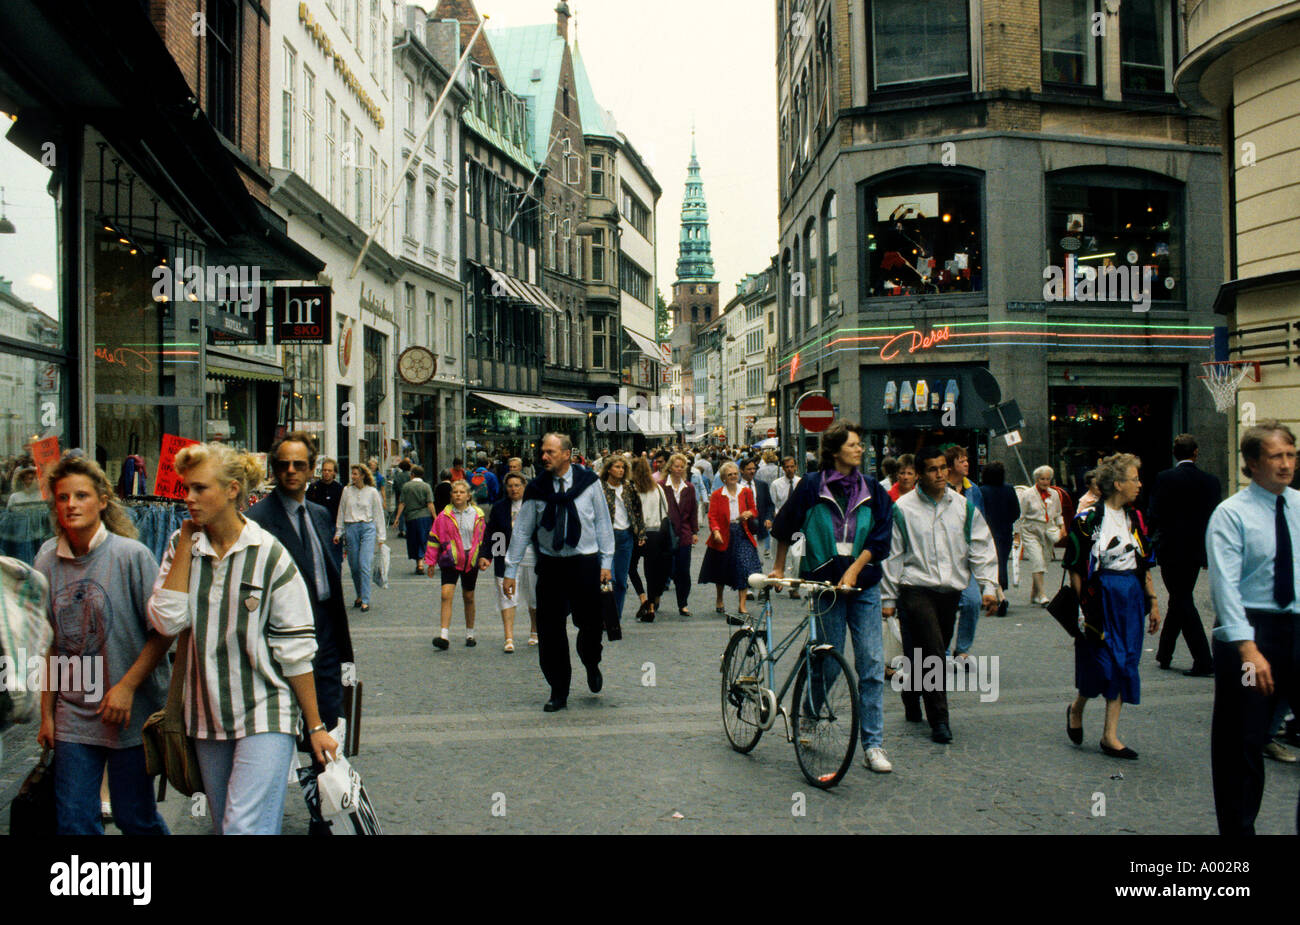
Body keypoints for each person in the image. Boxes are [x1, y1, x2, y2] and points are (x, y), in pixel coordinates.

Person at [147, 442, 337, 835]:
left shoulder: (269, 554)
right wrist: (184, 542)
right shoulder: (181, 547)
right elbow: (167, 622)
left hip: (267, 710)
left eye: (200, 488)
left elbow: (297, 650)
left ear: (233, 490)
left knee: (241, 827)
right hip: (205, 715)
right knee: (228, 826)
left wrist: (316, 726)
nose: (189, 498)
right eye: (187, 489)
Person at [35, 455, 170, 835]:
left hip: (130, 712)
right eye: (63, 498)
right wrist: (47, 713)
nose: (71, 505)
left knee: (135, 818)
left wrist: (126, 688)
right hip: (74, 713)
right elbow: (50, 644)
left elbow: (164, 632)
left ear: (103, 500)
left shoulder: (131, 556)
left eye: (81, 495)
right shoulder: (47, 559)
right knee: (75, 822)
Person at [770, 421, 895, 774]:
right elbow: (784, 525)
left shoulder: (871, 488)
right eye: (853, 444)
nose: (860, 449)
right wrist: (779, 567)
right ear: (836, 450)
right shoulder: (812, 486)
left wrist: (855, 569)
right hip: (826, 586)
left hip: (863, 584)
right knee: (828, 658)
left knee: (871, 661)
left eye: (860, 444)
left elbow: (881, 538)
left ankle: (873, 744)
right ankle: (810, 712)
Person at [1207, 421, 1300, 834]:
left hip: (1297, 629)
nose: (1286, 464)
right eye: (1276, 456)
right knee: (1241, 742)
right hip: (1251, 633)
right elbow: (1225, 586)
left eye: (1291, 455)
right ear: (1251, 463)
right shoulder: (1231, 514)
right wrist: (1247, 649)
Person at [247, 432, 354, 762]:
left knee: (329, 722)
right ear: (274, 470)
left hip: (325, 632)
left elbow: (329, 580)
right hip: (284, 636)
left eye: (299, 464)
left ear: (311, 469)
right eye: (283, 465)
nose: (290, 471)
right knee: (288, 729)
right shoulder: (257, 522)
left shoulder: (319, 515)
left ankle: (325, 801)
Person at [880, 446, 999, 744]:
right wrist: (888, 599)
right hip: (915, 588)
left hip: (949, 592)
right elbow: (893, 555)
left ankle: (911, 693)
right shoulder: (903, 509)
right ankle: (940, 720)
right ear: (919, 475)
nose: (941, 474)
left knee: (924, 650)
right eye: (933, 469)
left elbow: (981, 546)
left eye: (943, 467)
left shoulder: (962, 507)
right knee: (934, 653)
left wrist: (989, 586)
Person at [502, 433, 614, 712]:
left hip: (585, 563)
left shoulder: (589, 483)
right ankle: (558, 689)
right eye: (543, 451)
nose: (544, 456)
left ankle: (591, 661)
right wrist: (510, 570)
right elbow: (523, 530)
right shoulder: (537, 488)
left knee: (589, 627)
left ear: (566, 454)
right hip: (551, 565)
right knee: (550, 631)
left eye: (550, 452)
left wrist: (606, 563)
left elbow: (602, 522)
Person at [1063, 452, 1159, 760]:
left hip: (1129, 597)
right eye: (1135, 479)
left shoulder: (1136, 517)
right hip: (1100, 598)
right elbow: (1077, 568)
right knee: (1100, 665)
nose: (1140, 485)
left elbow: (1142, 564)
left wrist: (1153, 601)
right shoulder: (1087, 520)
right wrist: (1085, 610)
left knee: (1123, 662)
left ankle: (1109, 735)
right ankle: (1077, 707)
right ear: (1118, 484)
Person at [1147, 433, 1221, 676]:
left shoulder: (1165, 478)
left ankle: (1203, 659)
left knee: (1181, 598)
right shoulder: (1211, 481)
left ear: (1174, 453)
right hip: (1196, 549)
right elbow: (1214, 518)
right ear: (1196, 452)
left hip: (1171, 548)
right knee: (1180, 597)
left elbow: (1154, 513)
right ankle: (1165, 652)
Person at [426, 480, 488, 650]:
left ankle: (470, 633)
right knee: (446, 594)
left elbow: (483, 539)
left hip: (470, 560)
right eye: (455, 492)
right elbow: (434, 539)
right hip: (450, 560)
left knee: (468, 597)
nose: (458, 495)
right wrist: (431, 561)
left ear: (468, 496)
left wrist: (485, 557)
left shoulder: (478, 514)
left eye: (462, 492)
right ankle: (444, 635)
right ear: (451, 496)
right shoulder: (443, 516)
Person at [699, 461, 761, 623]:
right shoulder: (718, 494)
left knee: (744, 566)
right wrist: (716, 531)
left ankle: (742, 604)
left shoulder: (746, 492)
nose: (733, 476)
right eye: (730, 475)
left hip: (742, 532)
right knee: (722, 569)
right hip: (724, 534)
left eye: (735, 474)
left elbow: (754, 510)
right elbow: (712, 516)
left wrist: (748, 513)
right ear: (724, 478)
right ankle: (720, 598)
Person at [483, 472, 538, 651]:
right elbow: (493, 534)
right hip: (506, 557)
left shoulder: (534, 506)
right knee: (507, 597)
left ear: (524, 486)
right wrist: (489, 556)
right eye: (510, 486)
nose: (513, 489)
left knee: (534, 596)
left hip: (531, 556)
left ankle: (534, 631)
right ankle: (509, 638)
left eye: (517, 485)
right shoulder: (499, 508)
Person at [946, 446, 987, 663]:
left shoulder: (973, 490)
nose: (966, 464)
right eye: (961, 460)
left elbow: (980, 521)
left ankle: (962, 649)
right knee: (946, 605)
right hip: (944, 555)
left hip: (967, 556)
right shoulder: (941, 488)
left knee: (972, 601)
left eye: (966, 460)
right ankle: (942, 649)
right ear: (951, 465)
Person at [600, 455, 644, 636]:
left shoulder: (628, 487)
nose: (620, 470)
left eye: (622, 468)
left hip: (625, 535)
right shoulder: (600, 488)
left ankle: (615, 618)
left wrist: (640, 532)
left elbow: (637, 509)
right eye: (617, 467)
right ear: (609, 469)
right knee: (607, 579)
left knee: (621, 581)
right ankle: (605, 616)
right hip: (606, 536)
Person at [335, 463, 386, 612]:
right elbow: (341, 511)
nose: (353, 476)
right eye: (352, 474)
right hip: (351, 528)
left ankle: (365, 599)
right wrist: (339, 532)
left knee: (364, 564)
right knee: (354, 566)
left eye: (356, 474)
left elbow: (378, 514)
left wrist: (381, 537)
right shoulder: (346, 491)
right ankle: (359, 594)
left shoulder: (372, 492)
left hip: (367, 528)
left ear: (363, 475)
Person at [628, 457, 671, 622]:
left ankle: (643, 598)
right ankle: (651, 606)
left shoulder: (633, 490)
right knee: (651, 572)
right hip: (657, 533)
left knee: (631, 567)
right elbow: (666, 510)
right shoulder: (658, 488)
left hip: (638, 533)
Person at [1017, 465, 1065, 606]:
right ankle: (1042, 594)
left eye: (1048, 479)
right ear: (1037, 479)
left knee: (1044, 561)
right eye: (1042, 479)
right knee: (1037, 560)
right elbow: (1020, 516)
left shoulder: (1054, 494)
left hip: (1048, 530)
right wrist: (1017, 534)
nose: (1045, 482)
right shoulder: (1027, 494)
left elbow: (1058, 514)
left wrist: (1062, 528)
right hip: (1031, 530)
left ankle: (1034, 593)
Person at [979, 461, 1021, 617]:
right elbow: (1016, 511)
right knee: (1001, 562)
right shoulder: (1009, 489)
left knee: (989, 563)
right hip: (1004, 531)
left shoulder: (982, 491)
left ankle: (998, 595)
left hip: (987, 531)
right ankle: (1000, 593)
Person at [663, 453, 698, 617]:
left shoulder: (689, 487)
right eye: (676, 466)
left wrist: (694, 531)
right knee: (666, 568)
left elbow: (693, 510)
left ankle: (683, 603)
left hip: (684, 532)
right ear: (670, 467)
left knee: (684, 570)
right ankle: (655, 599)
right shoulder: (662, 486)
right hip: (666, 533)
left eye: (682, 466)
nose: (679, 469)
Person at [393, 465, 438, 574]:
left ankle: (419, 563)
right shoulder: (426, 486)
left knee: (414, 540)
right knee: (423, 539)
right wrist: (435, 517)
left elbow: (402, 503)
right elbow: (430, 503)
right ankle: (421, 562)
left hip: (411, 517)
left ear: (412, 475)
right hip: (424, 516)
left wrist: (397, 518)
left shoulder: (406, 487)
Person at [307, 458, 345, 570]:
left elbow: (343, 510)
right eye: (324, 470)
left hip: (334, 528)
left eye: (329, 470)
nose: (326, 473)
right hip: (317, 528)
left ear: (334, 473)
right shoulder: (314, 488)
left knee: (335, 561)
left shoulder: (340, 489)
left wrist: (341, 531)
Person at [740, 457, 775, 559]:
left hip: (759, 529)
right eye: (749, 469)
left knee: (759, 561)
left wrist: (768, 518)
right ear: (742, 470)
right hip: (742, 530)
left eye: (754, 469)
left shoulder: (762, 485)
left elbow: (770, 505)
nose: (752, 471)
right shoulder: (736, 486)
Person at [389, 459, 412, 538]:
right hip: (409, 496)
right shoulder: (410, 475)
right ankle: (408, 529)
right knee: (408, 512)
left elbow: (394, 485)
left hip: (399, 495)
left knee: (400, 513)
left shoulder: (397, 475)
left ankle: (402, 530)